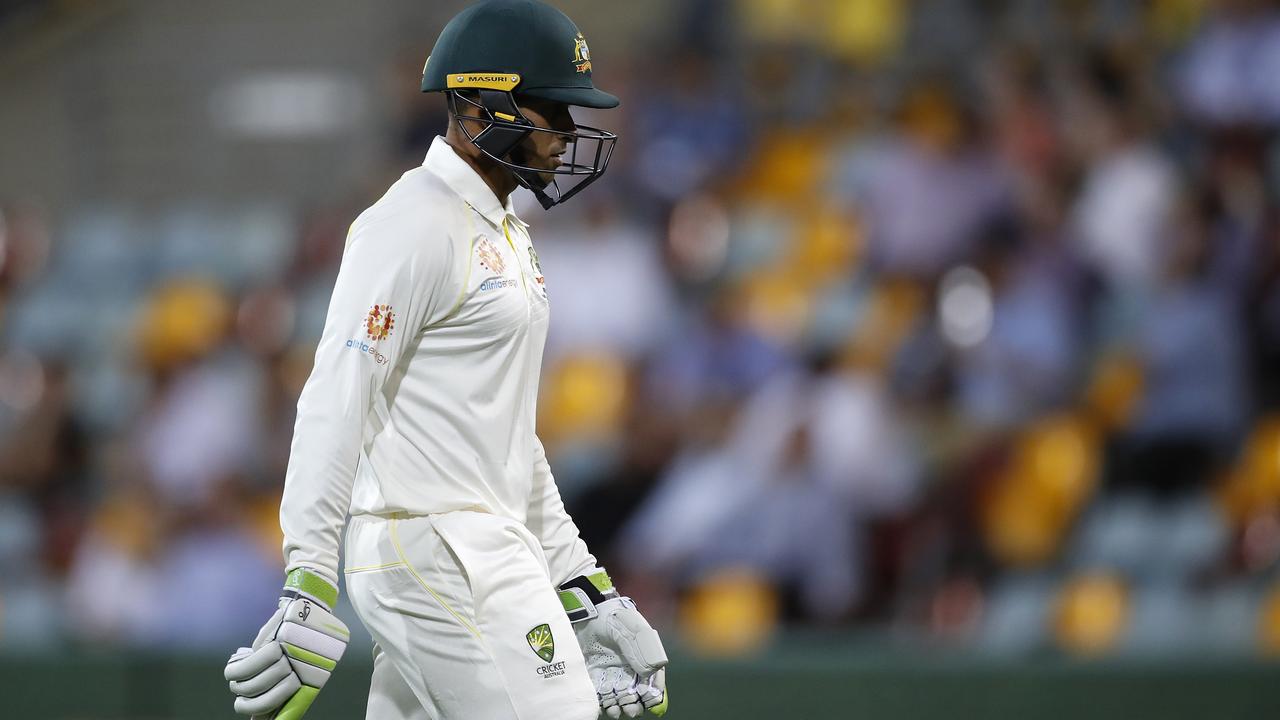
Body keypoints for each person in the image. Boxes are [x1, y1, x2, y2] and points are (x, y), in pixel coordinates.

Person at [222, 2, 669, 719]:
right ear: (480, 101)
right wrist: (308, 578)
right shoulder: (412, 223)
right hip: (435, 548)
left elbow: (510, 440)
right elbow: (338, 394)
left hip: (473, 544)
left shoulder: (503, 229)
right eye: (553, 107)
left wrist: (582, 583)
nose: (568, 131)